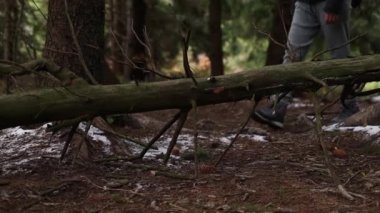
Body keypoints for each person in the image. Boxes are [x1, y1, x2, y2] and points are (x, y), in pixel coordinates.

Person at [253, 0, 362, 129]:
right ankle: (278, 108)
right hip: (303, 4)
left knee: (341, 57)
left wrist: (334, 4)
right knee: (292, 56)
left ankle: (350, 106)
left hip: (331, 3)